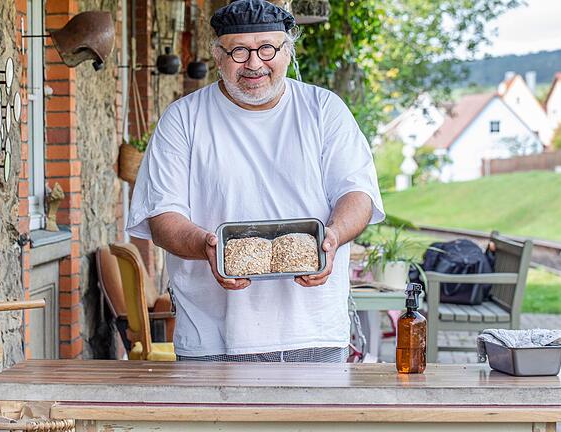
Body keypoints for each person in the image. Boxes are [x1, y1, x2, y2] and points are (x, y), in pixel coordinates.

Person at [126, 0, 384, 362]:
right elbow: (161, 217)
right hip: (213, 337)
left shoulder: (324, 110)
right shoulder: (183, 119)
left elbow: (357, 194)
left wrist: (334, 236)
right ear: (218, 55)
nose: (254, 63)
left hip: (312, 333)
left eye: (267, 48)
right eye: (239, 51)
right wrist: (207, 247)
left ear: (286, 51)